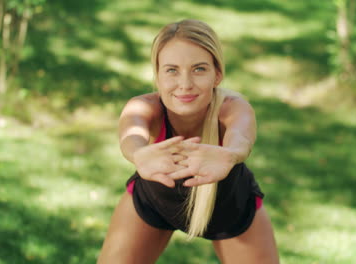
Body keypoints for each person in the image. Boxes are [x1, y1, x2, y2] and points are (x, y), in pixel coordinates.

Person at [97, 19, 280, 264]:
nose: (185, 85)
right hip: (153, 203)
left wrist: (231, 155)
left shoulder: (233, 108)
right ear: (158, 75)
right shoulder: (144, 107)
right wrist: (138, 154)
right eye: (172, 70)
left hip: (230, 209)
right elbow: (131, 135)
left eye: (199, 69)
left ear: (218, 74)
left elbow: (241, 136)